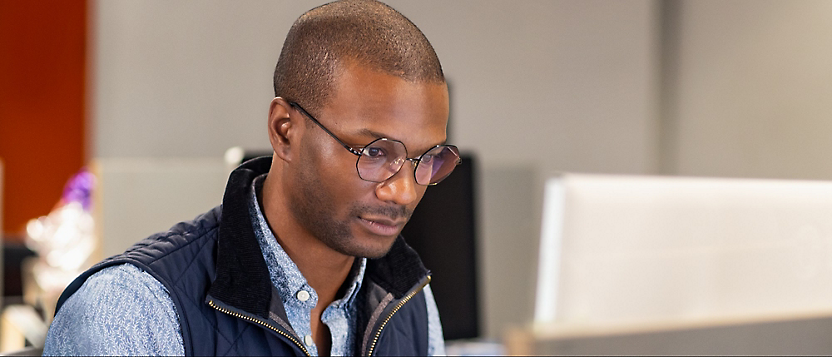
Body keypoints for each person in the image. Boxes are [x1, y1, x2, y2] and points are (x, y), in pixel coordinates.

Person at [42, 0, 460, 355]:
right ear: (284, 131)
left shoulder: (408, 301)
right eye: (374, 152)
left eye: (427, 158)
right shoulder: (131, 312)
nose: (405, 191)